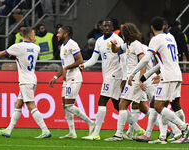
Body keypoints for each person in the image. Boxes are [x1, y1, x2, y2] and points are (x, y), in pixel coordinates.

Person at [128, 16, 189, 144]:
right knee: (159, 105)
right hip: (176, 74)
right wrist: (148, 76)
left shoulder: (156, 39)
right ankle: (160, 136)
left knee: (158, 106)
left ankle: (183, 127)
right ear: (164, 26)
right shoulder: (170, 37)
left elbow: (145, 59)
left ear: (151, 28)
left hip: (168, 77)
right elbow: (167, 60)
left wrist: (133, 74)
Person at [79, 19, 143, 141]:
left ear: (113, 27)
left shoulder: (117, 39)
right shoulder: (98, 41)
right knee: (117, 104)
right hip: (107, 74)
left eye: (109, 26)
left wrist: (124, 78)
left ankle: (95, 133)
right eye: (104, 26)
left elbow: (124, 60)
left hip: (115, 75)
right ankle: (138, 128)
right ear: (101, 28)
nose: (107, 28)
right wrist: (84, 65)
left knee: (102, 101)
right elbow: (93, 59)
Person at [0, 27, 51, 138]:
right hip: (32, 78)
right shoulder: (36, 47)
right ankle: (8, 130)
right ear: (29, 35)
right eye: (33, 34)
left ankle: (45, 130)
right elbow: (31, 47)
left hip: (25, 81)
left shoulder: (17, 47)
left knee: (31, 105)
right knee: (18, 104)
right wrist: (32, 41)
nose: (35, 36)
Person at [49, 26, 95, 139]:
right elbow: (64, 65)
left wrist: (66, 68)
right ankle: (72, 132)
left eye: (59, 33)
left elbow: (80, 60)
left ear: (66, 33)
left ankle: (91, 123)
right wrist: (56, 76)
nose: (57, 35)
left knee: (69, 105)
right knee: (65, 106)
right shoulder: (63, 46)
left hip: (74, 77)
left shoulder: (72, 44)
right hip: (66, 79)